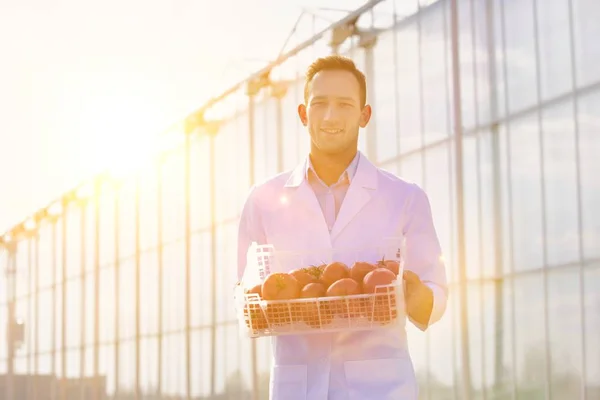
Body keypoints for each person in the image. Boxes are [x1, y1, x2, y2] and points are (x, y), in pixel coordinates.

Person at [237, 55, 448, 400]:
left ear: (364, 115)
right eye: (319, 104)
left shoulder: (405, 198)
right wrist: (259, 302)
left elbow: (436, 290)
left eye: (345, 105)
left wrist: (419, 297)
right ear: (304, 114)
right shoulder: (263, 200)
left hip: (380, 389)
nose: (331, 116)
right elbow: (245, 285)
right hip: (298, 389)